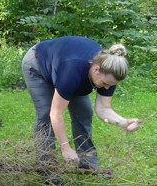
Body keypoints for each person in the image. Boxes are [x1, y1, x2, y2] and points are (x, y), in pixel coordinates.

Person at [21, 36, 143, 170]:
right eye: (105, 84)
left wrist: (123, 122)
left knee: (84, 113)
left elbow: (103, 109)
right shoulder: (72, 72)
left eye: (111, 85)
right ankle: (46, 167)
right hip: (38, 64)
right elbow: (55, 114)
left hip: (68, 70)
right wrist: (65, 148)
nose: (107, 88)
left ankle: (88, 163)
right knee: (45, 114)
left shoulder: (110, 72)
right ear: (96, 69)